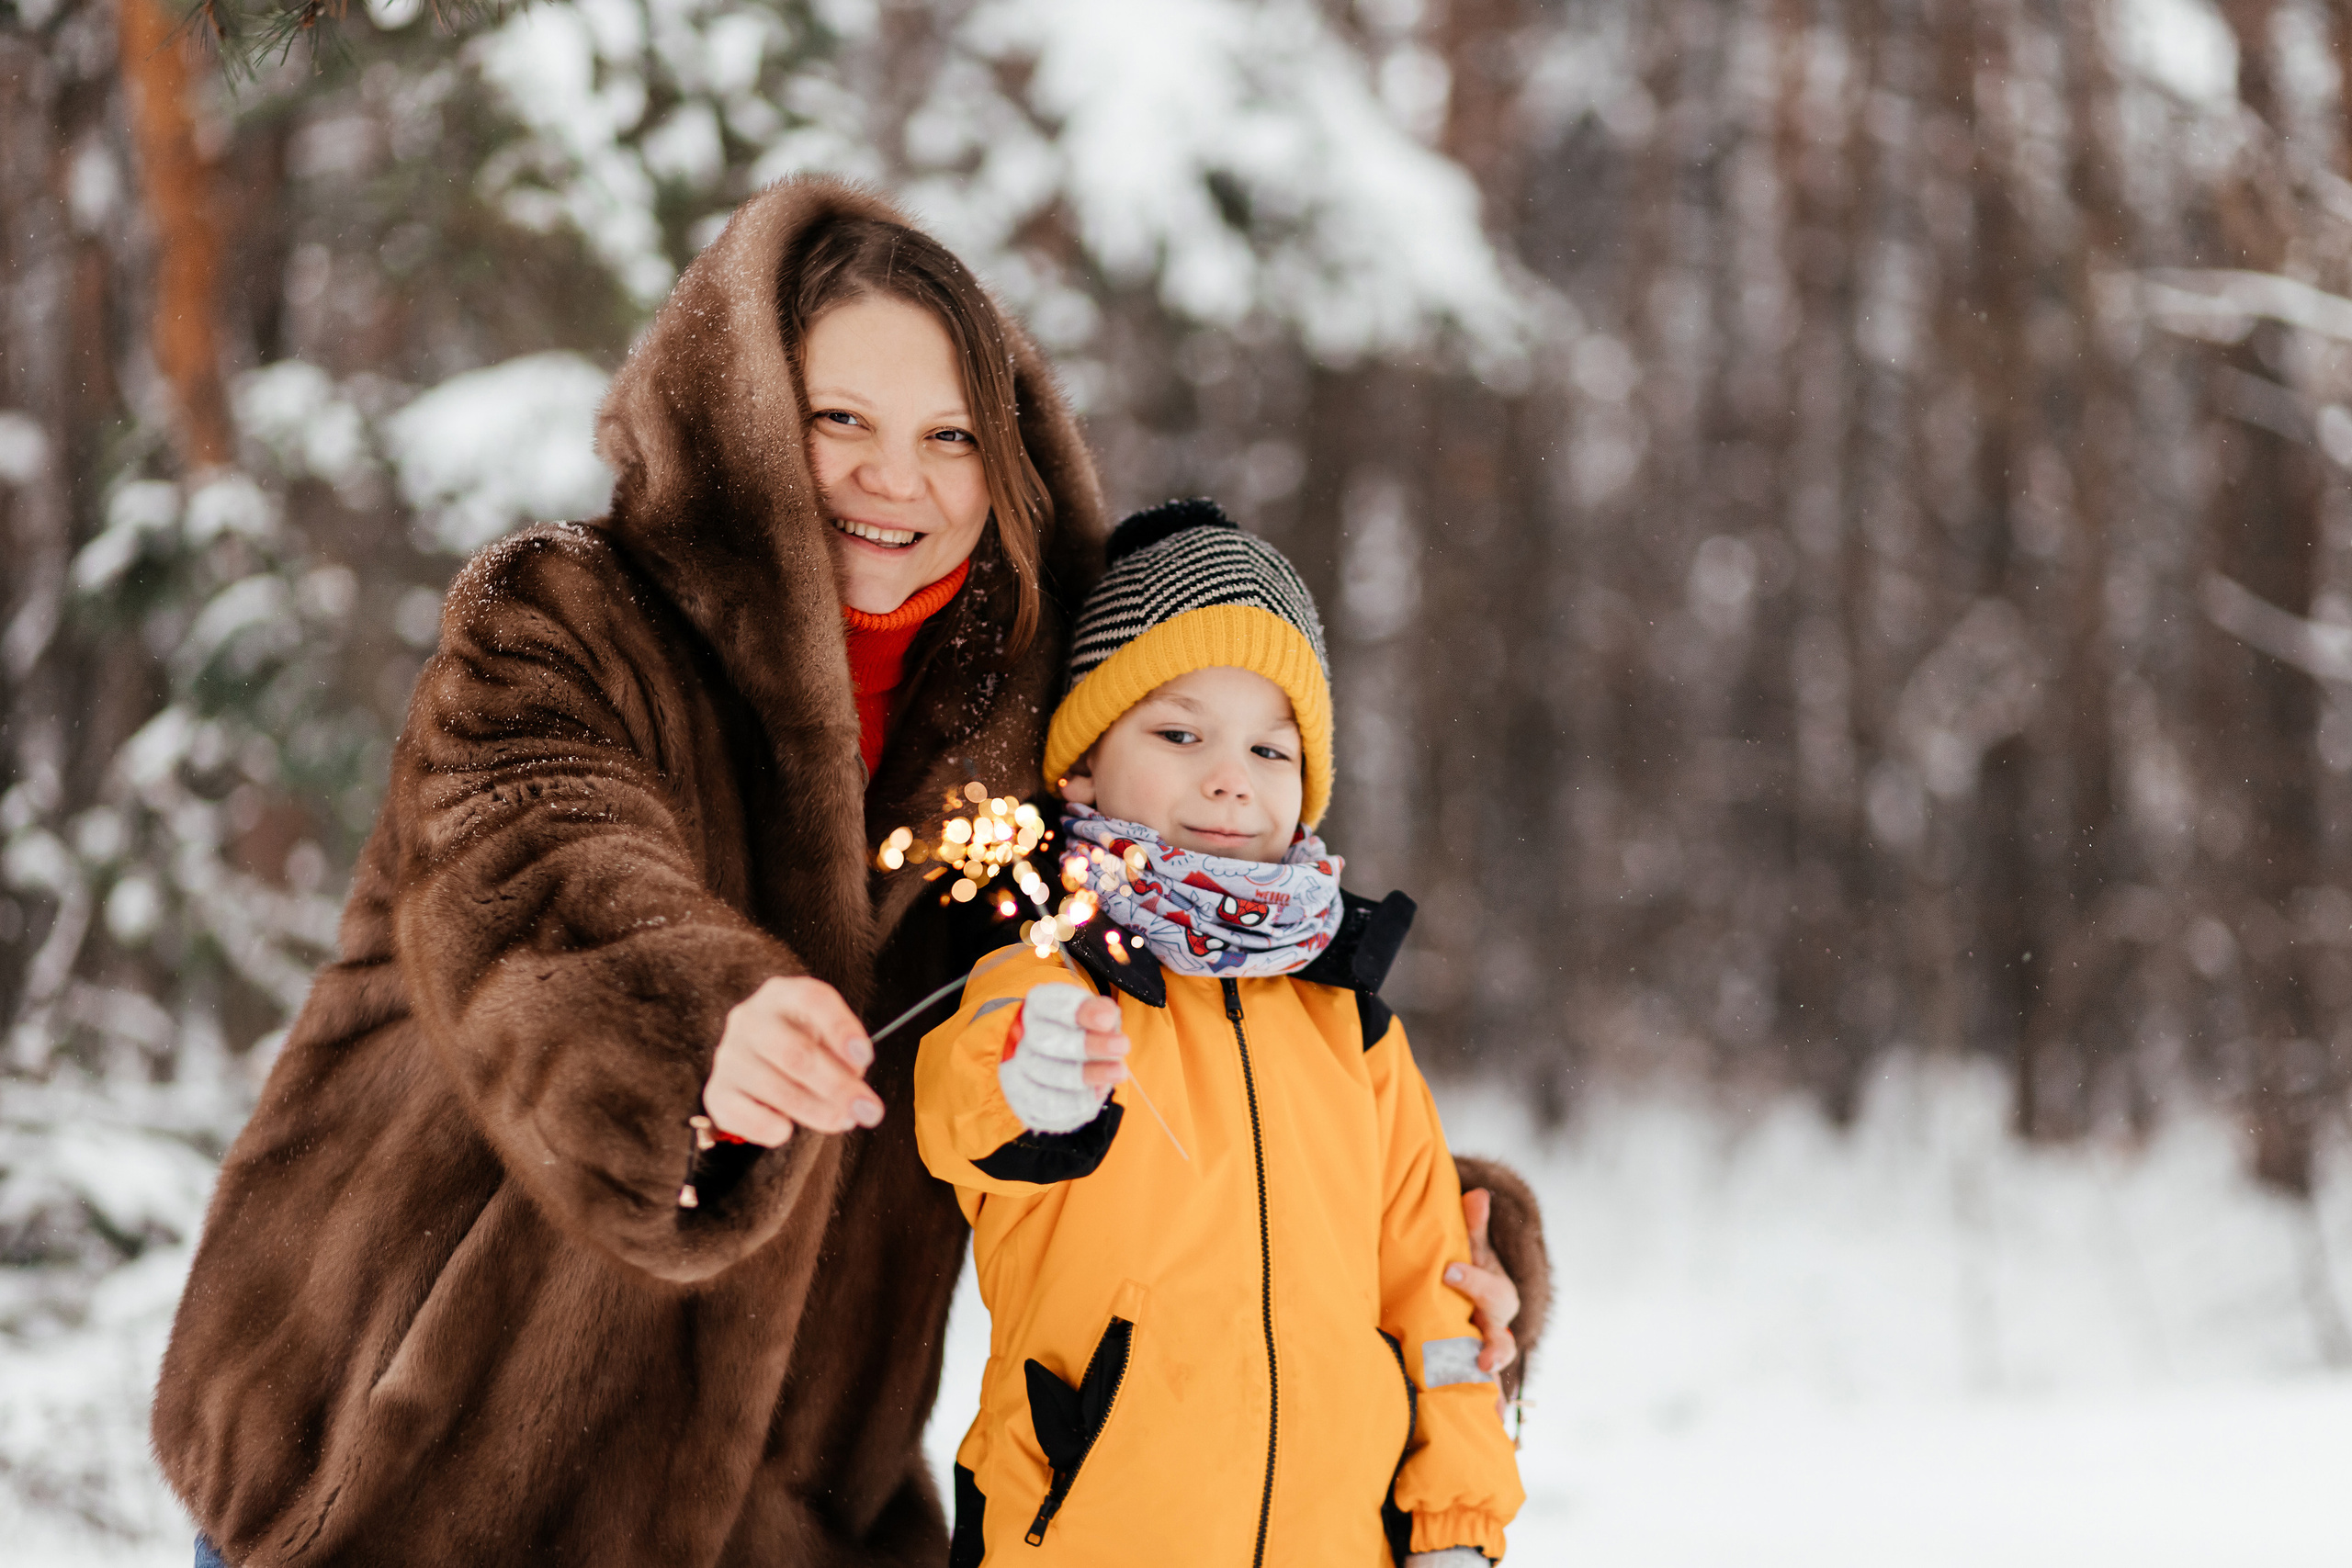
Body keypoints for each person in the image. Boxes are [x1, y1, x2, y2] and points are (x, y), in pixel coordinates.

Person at [153, 178, 1543, 1567]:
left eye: (949, 435)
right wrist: (700, 1020)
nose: (898, 478)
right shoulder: (561, 619)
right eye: (840, 421)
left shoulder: (1033, 746)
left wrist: (1422, 1249)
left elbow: (1186, 1037)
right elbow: (529, 860)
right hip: (410, 1457)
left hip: (779, 1509)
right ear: (740, 416)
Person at [915, 501, 1525, 1566]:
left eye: (1270, 747)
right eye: (1179, 732)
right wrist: (1031, 1081)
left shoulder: (1352, 1028)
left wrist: (1454, 1527)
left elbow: (1438, 1296)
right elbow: (957, 1111)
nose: (1231, 776)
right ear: (1082, 770)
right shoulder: (1052, 977)